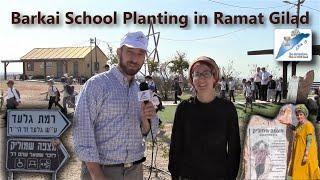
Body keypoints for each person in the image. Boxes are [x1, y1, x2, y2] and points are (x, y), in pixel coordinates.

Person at [73, 31, 158, 180]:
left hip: (135, 171)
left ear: (144, 58)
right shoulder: (97, 85)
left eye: (140, 54)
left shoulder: (140, 90)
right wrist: (97, 175)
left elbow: (147, 132)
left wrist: (146, 120)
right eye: (130, 52)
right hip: (102, 172)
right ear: (119, 52)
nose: (134, 58)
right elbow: (82, 132)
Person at [168, 56, 241, 179]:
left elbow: (234, 149)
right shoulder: (184, 109)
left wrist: (231, 176)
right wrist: (175, 175)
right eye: (196, 74)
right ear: (192, 79)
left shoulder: (227, 109)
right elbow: (175, 147)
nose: (201, 78)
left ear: (214, 77)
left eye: (206, 73)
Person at [279, 104, 320, 179]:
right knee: (299, 170)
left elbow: (309, 140)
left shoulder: (308, 125)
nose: (299, 116)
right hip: (298, 152)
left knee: (305, 171)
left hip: (305, 153)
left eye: (301, 114)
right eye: (297, 115)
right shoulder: (299, 124)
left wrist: (306, 154)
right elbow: (296, 129)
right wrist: (288, 124)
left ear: (305, 114)